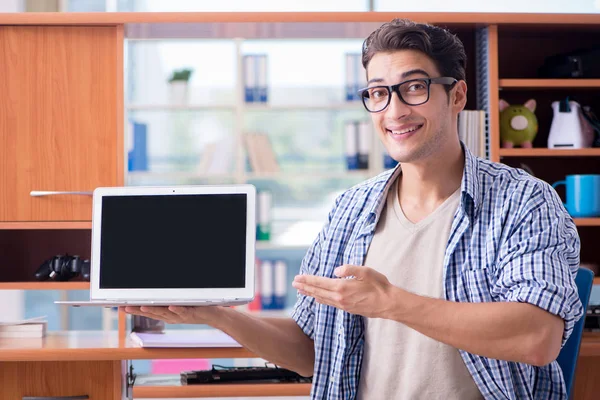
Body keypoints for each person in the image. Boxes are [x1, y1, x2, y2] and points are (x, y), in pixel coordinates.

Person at [125, 18, 583, 399]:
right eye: (379, 93)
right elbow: (310, 351)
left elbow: (537, 337)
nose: (395, 111)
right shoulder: (351, 209)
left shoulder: (523, 200)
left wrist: (392, 304)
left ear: (457, 96)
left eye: (414, 88)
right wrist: (214, 314)